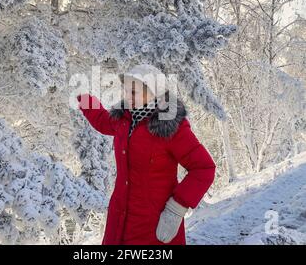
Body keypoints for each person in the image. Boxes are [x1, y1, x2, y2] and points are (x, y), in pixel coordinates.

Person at [76, 64, 216, 245]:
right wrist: (82, 96)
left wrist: (176, 209)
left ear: (154, 93)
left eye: (133, 92)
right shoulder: (124, 120)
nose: (127, 97)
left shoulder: (171, 127)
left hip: (152, 225)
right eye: (125, 91)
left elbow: (204, 168)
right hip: (119, 221)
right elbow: (102, 121)